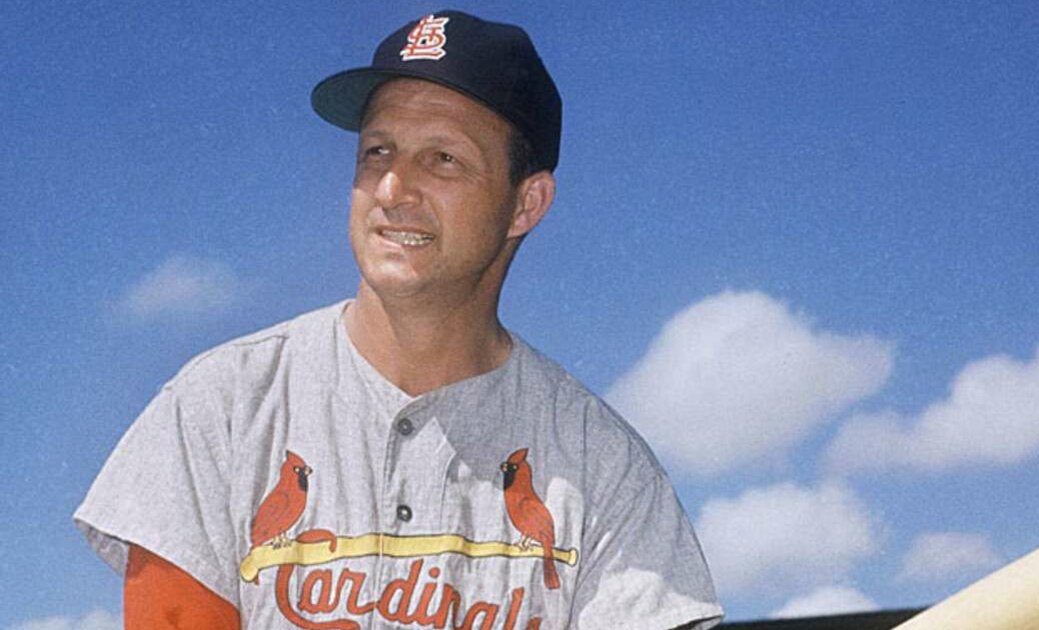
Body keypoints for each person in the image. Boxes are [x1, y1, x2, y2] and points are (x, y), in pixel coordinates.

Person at [75, 9, 723, 629]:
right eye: (378, 152)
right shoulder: (221, 407)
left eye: (443, 159)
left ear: (526, 204)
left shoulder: (602, 465)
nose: (392, 189)